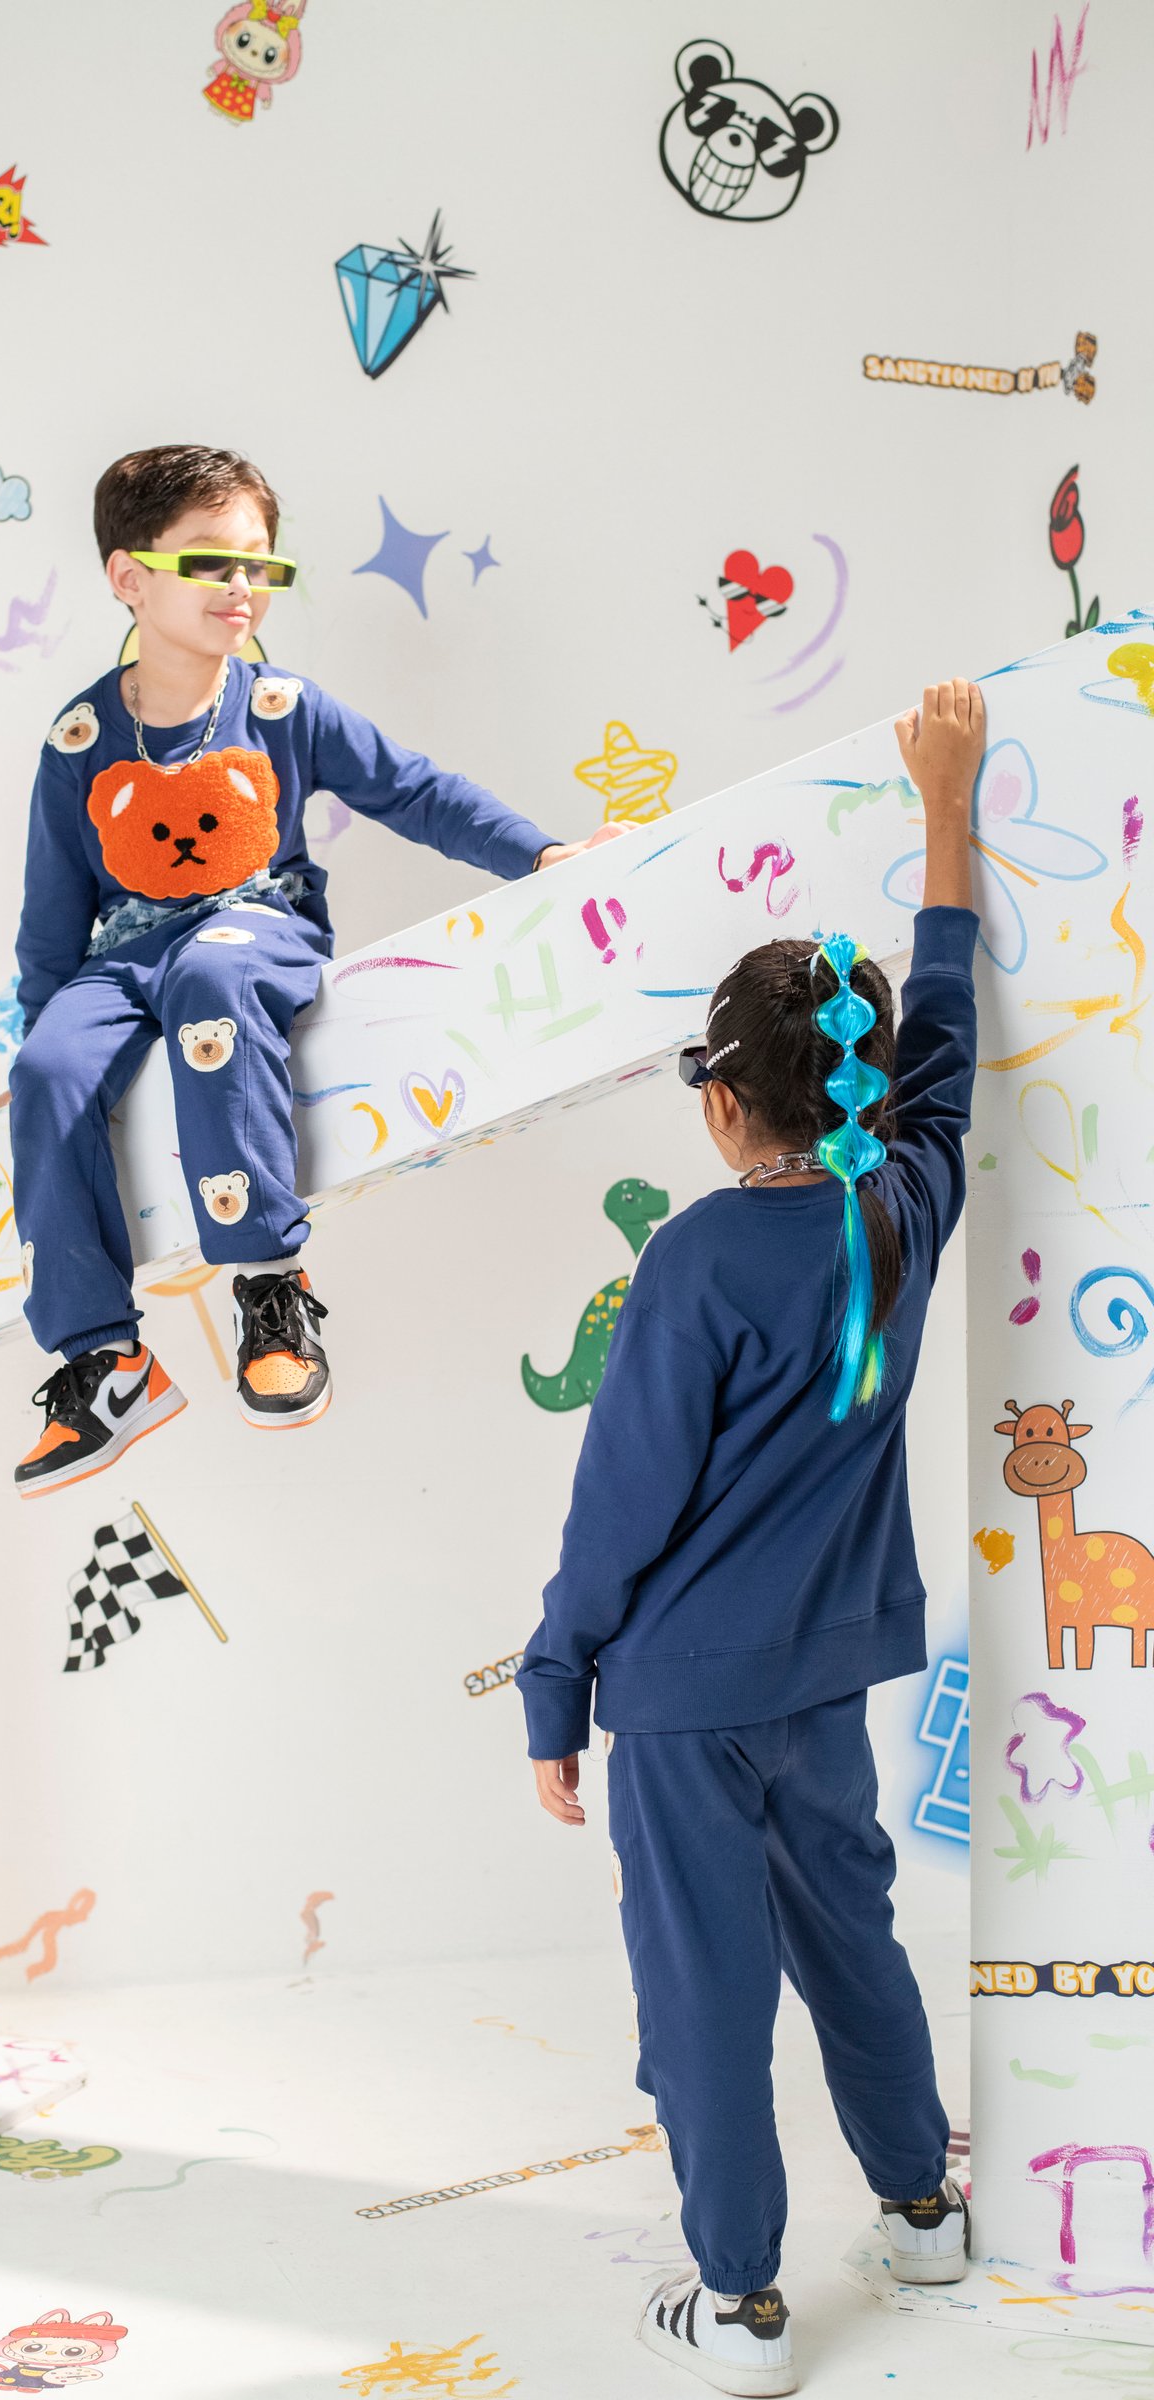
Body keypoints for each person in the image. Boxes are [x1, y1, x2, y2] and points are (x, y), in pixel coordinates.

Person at [514, 680, 988, 2395]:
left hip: (681, 1701)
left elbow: (620, 1504)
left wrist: (554, 1680)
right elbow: (947, 1043)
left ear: (723, 1107)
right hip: (818, 1689)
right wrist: (947, 810)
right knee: (851, 1938)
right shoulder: (904, 1209)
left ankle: (740, 2305)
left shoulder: (700, 1258)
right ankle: (922, 2213)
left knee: (706, 1996)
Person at [0, 444, 620, 1496]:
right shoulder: (79, 740)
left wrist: (536, 854)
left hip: (253, 929)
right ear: (129, 578)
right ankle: (104, 1362)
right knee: (48, 1069)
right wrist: (43, 1049)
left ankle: (269, 1290)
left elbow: (416, 791)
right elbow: (52, 921)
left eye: (258, 564)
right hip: (124, 955)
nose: (242, 587)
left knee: (209, 985)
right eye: (209, 563)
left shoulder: (280, 707)